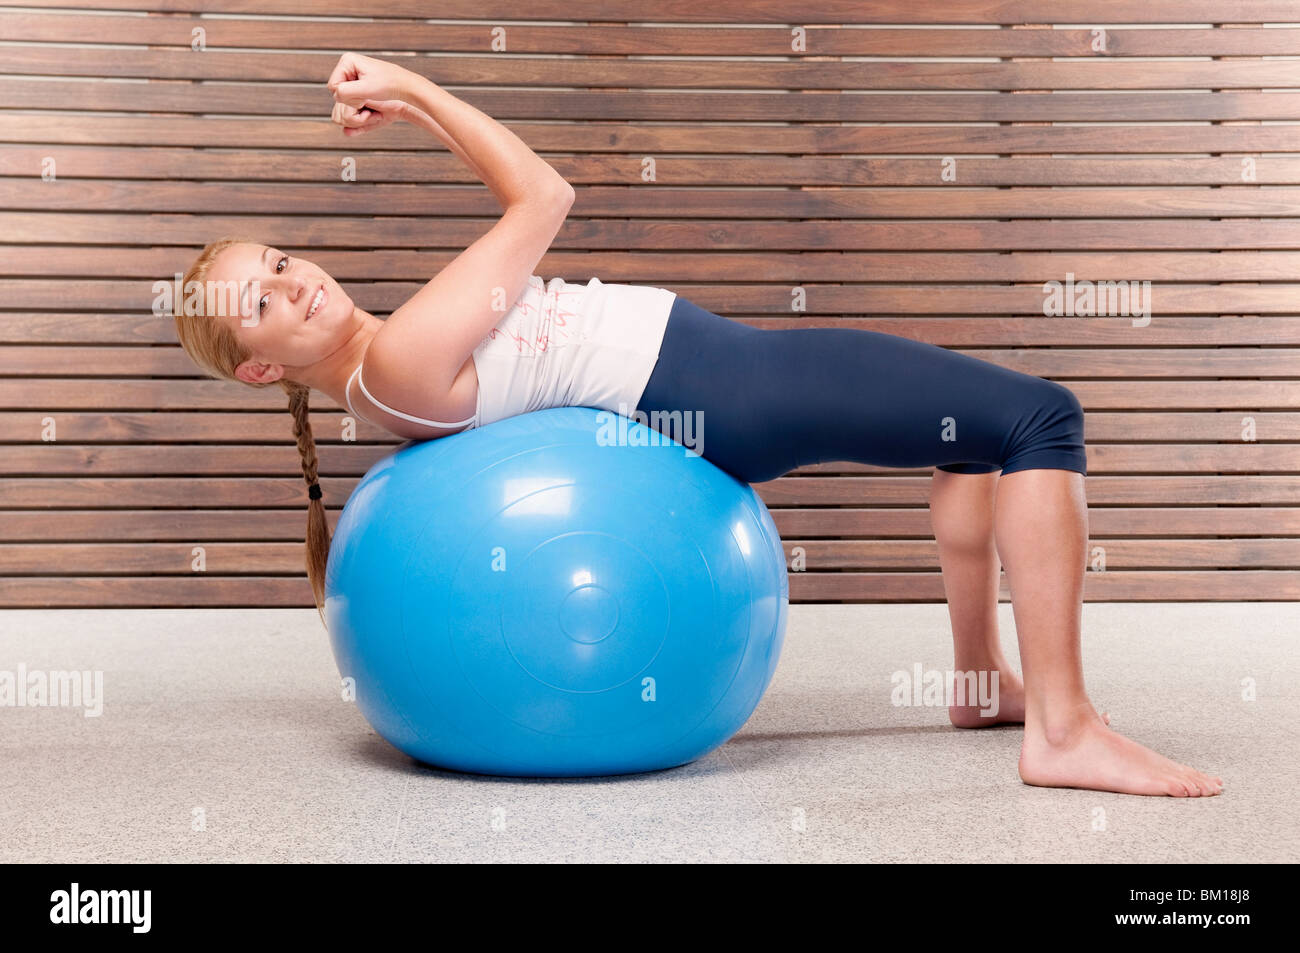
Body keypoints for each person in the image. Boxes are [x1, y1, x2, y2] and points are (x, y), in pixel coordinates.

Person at [173, 53, 1222, 798]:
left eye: (274, 262)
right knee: (1040, 417)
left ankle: (977, 679)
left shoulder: (384, 362)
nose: (289, 283)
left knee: (964, 429)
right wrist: (408, 87)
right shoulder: (395, 360)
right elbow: (542, 196)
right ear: (261, 366)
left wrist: (416, 110)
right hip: (732, 389)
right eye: (259, 302)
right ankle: (1063, 725)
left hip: (722, 374)